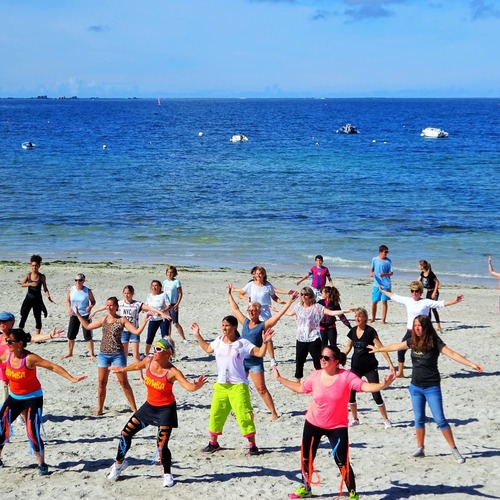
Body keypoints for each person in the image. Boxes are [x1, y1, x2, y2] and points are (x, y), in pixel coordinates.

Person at [272, 345, 395, 499]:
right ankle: (306, 487)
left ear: (336, 361)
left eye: (326, 358)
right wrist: (280, 379)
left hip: (337, 426)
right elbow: (301, 388)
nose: (322, 360)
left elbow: (364, 386)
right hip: (313, 422)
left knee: (342, 461)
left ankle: (352, 494)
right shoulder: (316, 376)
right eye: (321, 356)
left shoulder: (346, 377)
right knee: (306, 457)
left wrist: (382, 385)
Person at [369, 315, 483, 464]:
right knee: (419, 419)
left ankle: (454, 449)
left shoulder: (435, 342)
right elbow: (397, 346)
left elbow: (453, 354)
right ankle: (420, 448)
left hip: (432, 386)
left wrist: (471, 364)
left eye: (419, 325)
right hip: (415, 386)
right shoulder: (413, 341)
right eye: (415, 325)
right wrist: (379, 350)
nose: (417, 328)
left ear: (426, 326)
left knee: (440, 419)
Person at [106, 338, 207, 487]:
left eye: (159, 349)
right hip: (149, 407)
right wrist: (121, 370)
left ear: (168, 353)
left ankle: (167, 474)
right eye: (155, 347)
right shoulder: (149, 361)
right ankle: (119, 464)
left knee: (161, 445)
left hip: (166, 410)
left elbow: (188, 387)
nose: (155, 351)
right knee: (125, 433)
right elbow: (137, 365)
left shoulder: (172, 372)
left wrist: (196, 386)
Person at [0, 328, 86, 475]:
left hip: (32, 399)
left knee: (32, 431)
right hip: (14, 397)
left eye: (9, 341)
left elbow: (52, 366)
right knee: (1, 426)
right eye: (6, 340)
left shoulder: (30, 358)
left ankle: (42, 464)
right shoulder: (7, 354)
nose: (6, 343)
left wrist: (72, 378)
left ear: (20, 343)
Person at [191, 316, 275, 456]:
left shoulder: (242, 343)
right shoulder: (218, 341)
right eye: (223, 325)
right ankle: (213, 443)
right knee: (216, 414)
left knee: (244, 415)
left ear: (235, 327)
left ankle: (253, 446)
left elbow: (260, 353)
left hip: (238, 385)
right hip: (221, 385)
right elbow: (207, 348)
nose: (224, 328)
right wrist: (197, 335)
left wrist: (265, 341)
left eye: (227, 325)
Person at [227, 283, 299, 420]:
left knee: (261, 389)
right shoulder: (245, 322)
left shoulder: (262, 325)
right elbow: (235, 309)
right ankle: (236, 409)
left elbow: (278, 316)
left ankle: (274, 413)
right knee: (237, 387)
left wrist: (289, 301)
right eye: (249, 310)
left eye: (254, 310)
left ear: (259, 312)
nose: (251, 312)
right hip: (241, 361)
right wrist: (229, 294)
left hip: (255, 362)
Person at [74, 297, 150, 416]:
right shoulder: (104, 319)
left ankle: (135, 409)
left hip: (118, 355)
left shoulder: (122, 320)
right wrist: (78, 314)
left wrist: (145, 321)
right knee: (101, 383)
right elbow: (88, 326)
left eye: (111, 305)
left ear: (116, 307)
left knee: (123, 382)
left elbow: (136, 332)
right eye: (107, 305)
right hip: (103, 354)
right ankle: (99, 409)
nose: (109, 307)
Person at [379, 281, 463, 378]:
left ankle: (429, 371)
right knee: (400, 351)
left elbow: (441, 304)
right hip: (411, 331)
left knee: (429, 351)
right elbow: (394, 296)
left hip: (423, 333)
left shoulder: (426, 302)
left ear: (421, 292)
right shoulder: (408, 300)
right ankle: (400, 372)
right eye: (412, 291)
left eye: (417, 291)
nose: (414, 293)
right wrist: (383, 291)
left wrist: (455, 301)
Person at [91, 285, 169, 381]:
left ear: (132, 294)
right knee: (124, 354)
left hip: (134, 331)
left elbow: (150, 308)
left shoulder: (137, 304)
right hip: (122, 331)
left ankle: (140, 376)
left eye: (128, 293)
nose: (126, 295)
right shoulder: (120, 303)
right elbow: (106, 306)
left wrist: (161, 313)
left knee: (136, 355)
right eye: (125, 293)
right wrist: (95, 311)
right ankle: (121, 372)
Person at [282, 287, 354, 382]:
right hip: (301, 339)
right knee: (299, 362)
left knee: (318, 362)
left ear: (311, 296)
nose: (303, 296)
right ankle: (297, 381)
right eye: (302, 294)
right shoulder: (298, 306)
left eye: (306, 294)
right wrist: (276, 310)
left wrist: (345, 311)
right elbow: (289, 313)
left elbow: (331, 313)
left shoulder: (317, 307)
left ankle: (322, 380)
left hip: (314, 339)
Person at [343, 307, 394, 428]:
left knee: (376, 394)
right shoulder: (352, 331)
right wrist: (340, 357)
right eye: (356, 316)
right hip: (355, 368)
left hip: (370, 368)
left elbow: (381, 348)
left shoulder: (371, 331)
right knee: (351, 394)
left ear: (365, 318)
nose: (357, 318)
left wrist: (390, 364)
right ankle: (355, 419)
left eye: (360, 316)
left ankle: (386, 420)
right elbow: (348, 347)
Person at [0, 311, 65, 405]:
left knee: (18, 401)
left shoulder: (17, 336)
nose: (2, 323)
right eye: (0, 321)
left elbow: (33, 338)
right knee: (5, 401)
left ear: (12, 322)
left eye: (5, 321)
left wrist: (50, 336)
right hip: (4, 376)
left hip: (18, 374)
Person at [19, 255, 55, 336]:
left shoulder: (42, 277)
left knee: (38, 318)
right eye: (33, 265)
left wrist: (49, 298)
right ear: (30, 266)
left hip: (38, 300)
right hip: (28, 299)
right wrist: (30, 283)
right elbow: (22, 284)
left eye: (36, 265)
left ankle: (37, 336)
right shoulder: (28, 275)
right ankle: (20, 335)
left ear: (39, 266)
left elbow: (45, 288)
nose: (34, 267)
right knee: (24, 316)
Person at [64, 273, 97, 360]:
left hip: (84, 315)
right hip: (74, 315)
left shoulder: (87, 291)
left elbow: (93, 301)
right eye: (76, 280)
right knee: (71, 335)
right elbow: (67, 300)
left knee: (87, 335)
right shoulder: (71, 289)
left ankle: (92, 354)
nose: (78, 282)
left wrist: (90, 306)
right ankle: (70, 352)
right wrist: (69, 309)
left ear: (83, 281)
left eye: (80, 280)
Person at [144, 280, 171, 357]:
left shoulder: (164, 295)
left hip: (163, 319)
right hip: (153, 319)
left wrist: (161, 311)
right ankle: (146, 354)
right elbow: (146, 306)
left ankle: (167, 355)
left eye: (156, 286)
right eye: (153, 286)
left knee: (165, 338)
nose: (154, 287)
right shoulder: (149, 296)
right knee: (150, 337)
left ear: (160, 287)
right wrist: (144, 310)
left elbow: (169, 306)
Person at [163, 266, 188, 343]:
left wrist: (177, 304)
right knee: (168, 323)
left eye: (171, 272)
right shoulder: (164, 282)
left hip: (173, 304)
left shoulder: (176, 282)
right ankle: (169, 339)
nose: (169, 274)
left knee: (175, 323)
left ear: (174, 273)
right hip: (166, 305)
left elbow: (180, 293)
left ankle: (184, 339)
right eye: (168, 272)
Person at [370, 245, 393, 324]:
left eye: (387, 252)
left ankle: (383, 320)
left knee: (384, 301)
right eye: (385, 252)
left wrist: (385, 274)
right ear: (380, 252)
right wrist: (371, 273)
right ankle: (373, 318)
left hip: (386, 284)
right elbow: (372, 269)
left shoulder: (388, 261)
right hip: (376, 284)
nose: (386, 253)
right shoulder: (374, 259)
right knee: (374, 301)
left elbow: (391, 273)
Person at [418, 260, 442, 332]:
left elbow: (437, 282)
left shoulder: (430, 274)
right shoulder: (422, 273)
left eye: (419, 265)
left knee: (433, 308)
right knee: (428, 308)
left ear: (422, 266)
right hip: (428, 292)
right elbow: (418, 280)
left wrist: (434, 292)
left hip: (434, 292)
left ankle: (438, 325)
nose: (418, 266)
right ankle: (429, 325)